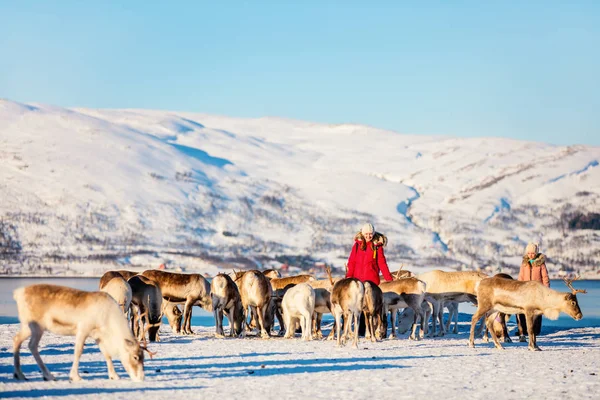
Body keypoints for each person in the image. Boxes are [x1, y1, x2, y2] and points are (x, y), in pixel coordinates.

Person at [516, 242, 550, 342]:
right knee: (522, 310)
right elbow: (520, 277)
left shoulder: (541, 264)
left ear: (536, 253)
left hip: (537, 291)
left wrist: (546, 290)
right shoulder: (524, 264)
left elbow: (545, 278)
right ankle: (523, 330)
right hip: (525, 290)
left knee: (536, 311)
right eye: (529, 253)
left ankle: (535, 330)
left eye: (533, 253)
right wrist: (518, 288)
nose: (531, 255)